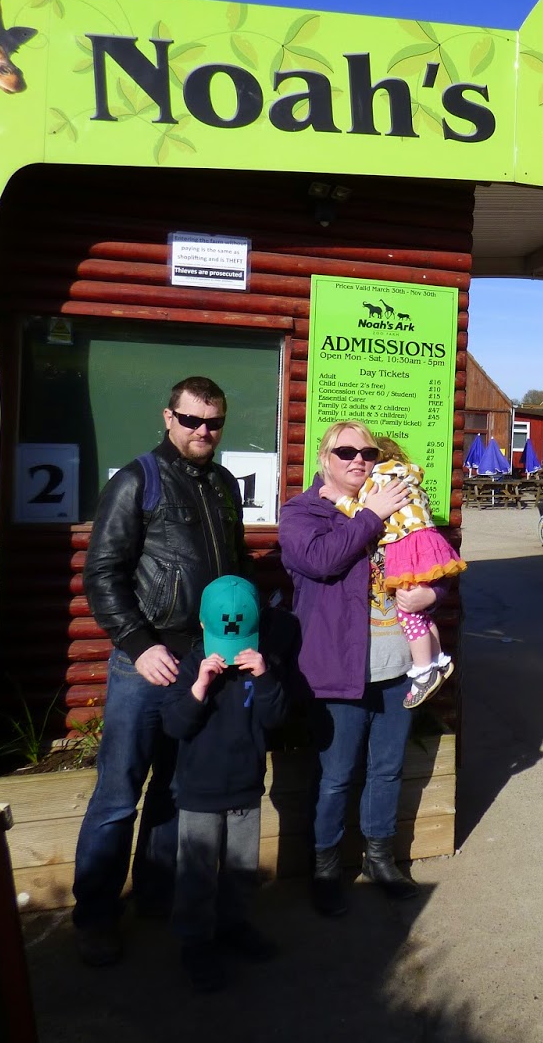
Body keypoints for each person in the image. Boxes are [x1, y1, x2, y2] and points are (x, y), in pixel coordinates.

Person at [73, 376, 251, 967]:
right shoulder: (136, 480)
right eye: (193, 420)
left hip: (203, 663)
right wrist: (138, 643)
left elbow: (237, 569)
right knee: (119, 792)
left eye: (214, 422)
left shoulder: (223, 485)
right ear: (168, 418)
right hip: (144, 662)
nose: (204, 431)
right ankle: (95, 915)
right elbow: (102, 574)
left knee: (176, 791)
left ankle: (155, 897)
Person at [278, 420, 441, 915]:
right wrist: (371, 514)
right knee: (337, 775)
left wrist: (435, 591)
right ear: (324, 458)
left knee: (388, 770)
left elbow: (429, 554)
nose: (359, 460)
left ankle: (379, 858)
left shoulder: (395, 503)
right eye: (346, 451)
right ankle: (326, 866)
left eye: (368, 452)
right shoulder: (302, 513)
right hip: (337, 668)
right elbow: (321, 560)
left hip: (396, 664)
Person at [162, 575, 291, 992]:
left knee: (240, 869)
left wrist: (266, 677)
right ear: (201, 625)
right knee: (197, 873)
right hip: (199, 792)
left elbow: (276, 719)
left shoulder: (260, 662)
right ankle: (195, 943)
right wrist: (199, 687)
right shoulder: (190, 665)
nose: (231, 655)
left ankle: (234, 927)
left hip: (245, 788)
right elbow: (175, 725)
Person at [332, 435, 464, 708]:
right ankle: (437, 659)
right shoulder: (410, 481)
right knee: (420, 611)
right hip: (428, 544)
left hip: (405, 546)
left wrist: (338, 498)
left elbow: (363, 512)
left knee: (408, 612)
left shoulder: (378, 481)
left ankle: (424, 671)